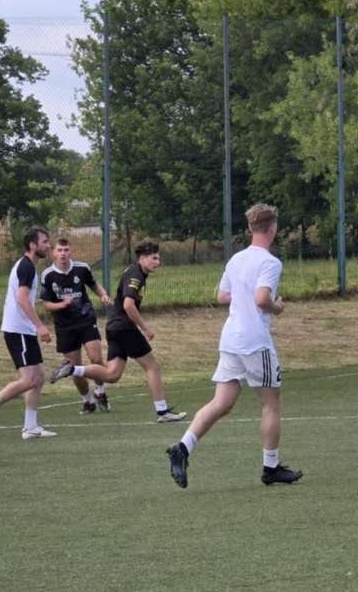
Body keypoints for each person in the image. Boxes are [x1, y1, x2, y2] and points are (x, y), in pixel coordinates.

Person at [166, 204, 302, 489]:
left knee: (222, 402)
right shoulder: (270, 262)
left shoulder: (236, 259)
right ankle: (271, 467)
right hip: (254, 341)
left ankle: (183, 447)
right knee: (270, 403)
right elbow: (262, 299)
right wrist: (277, 307)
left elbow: (222, 295)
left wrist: (244, 295)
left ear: (250, 228)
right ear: (273, 227)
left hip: (231, 339)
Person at [50, 240, 186, 423]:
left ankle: (72, 369)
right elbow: (128, 305)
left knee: (112, 375)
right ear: (143, 258)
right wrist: (145, 328)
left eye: (158, 258)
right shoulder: (136, 275)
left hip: (114, 327)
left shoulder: (135, 271)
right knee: (152, 366)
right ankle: (162, 412)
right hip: (124, 327)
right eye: (154, 258)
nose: (158, 262)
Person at [0, 226, 57, 440]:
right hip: (18, 330)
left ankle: (30, 427)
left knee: (38, 378)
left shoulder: (28, 266)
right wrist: (40, 326)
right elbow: (21, 298)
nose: (48, 246)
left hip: (24, 330)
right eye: (45, 242)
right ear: (33, 245)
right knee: (29, 379)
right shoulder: (26, 267)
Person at [40, 237, 112, 414]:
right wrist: (62, 304)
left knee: (96, 358)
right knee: (73, 368)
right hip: (64, 326)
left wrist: (103, 295)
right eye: (59, 250)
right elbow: (46, 303)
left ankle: (100, 392)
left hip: (85, 319)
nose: (63, 254)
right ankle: (87, 401)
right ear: (53, 252)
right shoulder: (47, 275)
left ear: (70, 251)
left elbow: (94, 285)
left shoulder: (82, 268)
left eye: (66, 250)